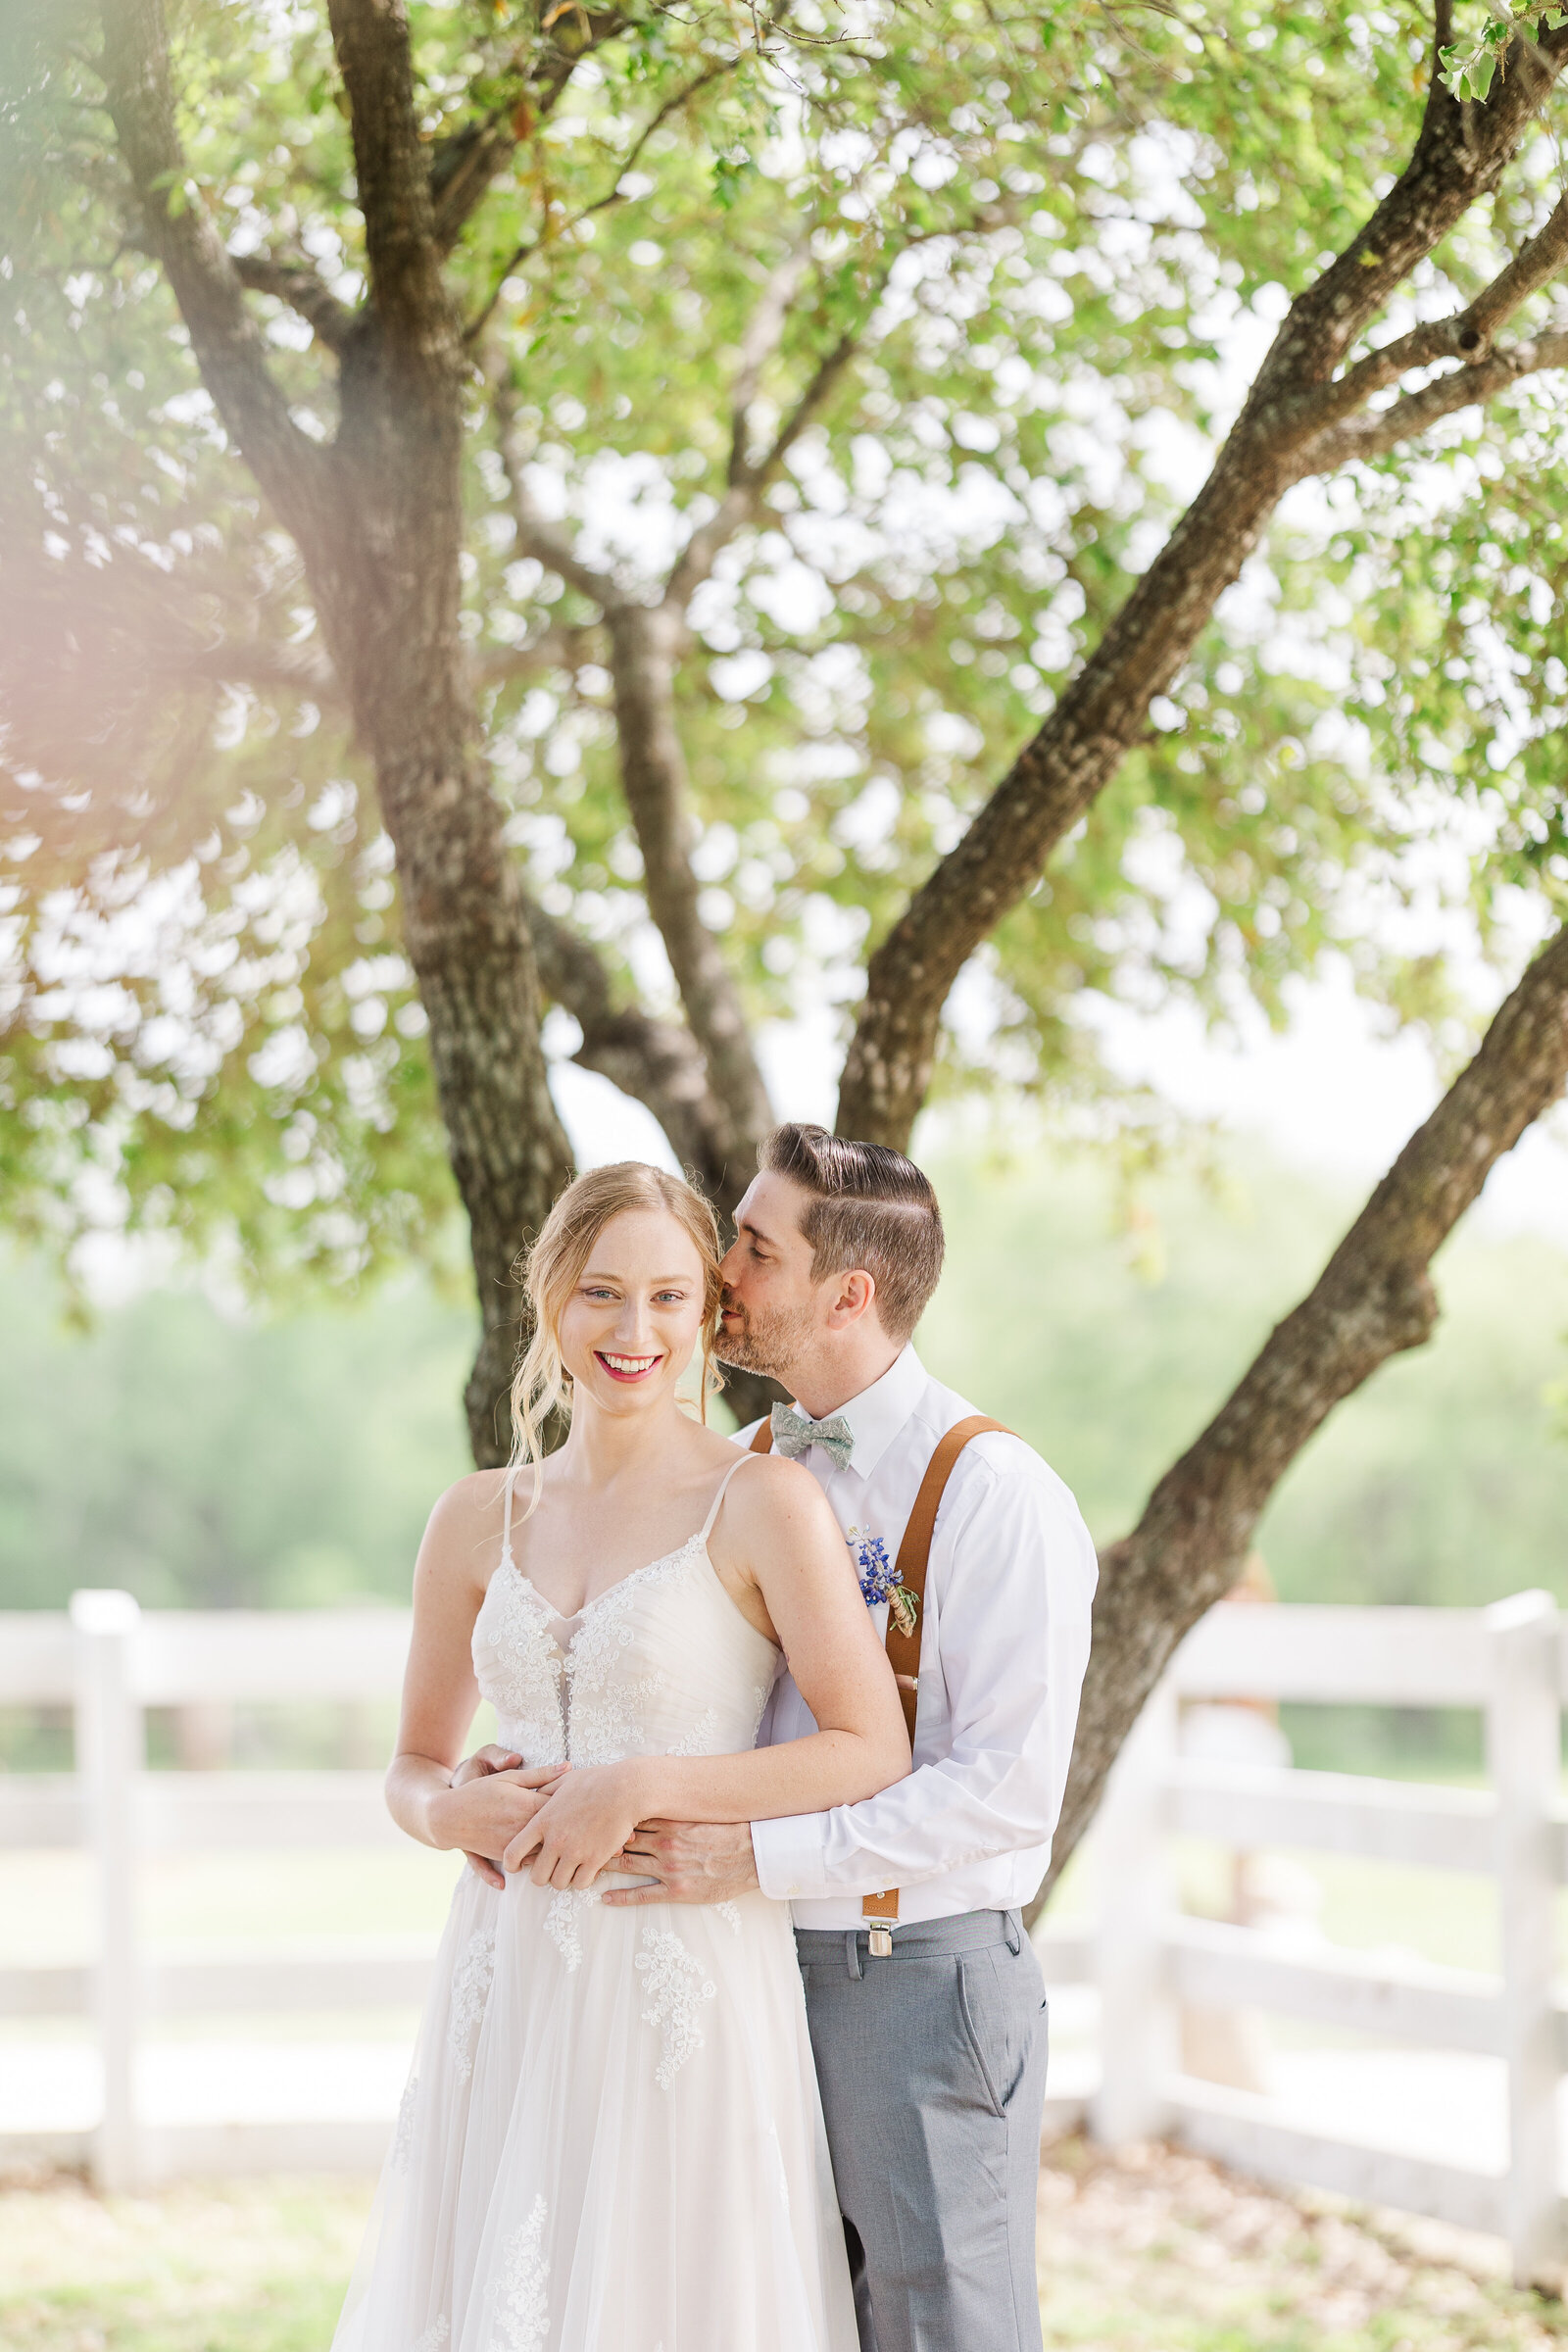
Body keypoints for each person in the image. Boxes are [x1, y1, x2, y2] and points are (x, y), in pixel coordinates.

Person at [331, 1160, 910, 2352]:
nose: (633, 1330)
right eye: (601, 1293)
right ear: (550, 1298)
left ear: (705, 1313)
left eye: (666, 1298)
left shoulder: (763, 1503)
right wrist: (450, 1817)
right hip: (503, 1979)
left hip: (679, 1977)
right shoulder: (474, 1517)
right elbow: (411, 1766)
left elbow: (869, 1747)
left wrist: (643, 1783)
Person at [601, 1125, 1098, 2352]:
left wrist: (759, 1857)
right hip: (746, 1973)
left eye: (754, 1251)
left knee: (940, 2327)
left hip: (914, 1980)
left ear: (848, 1295)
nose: (723, 1274)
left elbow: (1005, 1793)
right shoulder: (745, 1467)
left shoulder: (994, 1496)